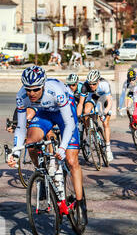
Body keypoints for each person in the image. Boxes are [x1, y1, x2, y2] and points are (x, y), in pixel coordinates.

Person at [7, 66, 87, 226]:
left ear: (42, 85)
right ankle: (42, 174)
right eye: (28, 89)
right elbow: (21, 127)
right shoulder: (22, 96)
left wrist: (63, 148)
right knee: (30, 144)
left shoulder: (56, 90)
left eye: (36, 89)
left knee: (71, 161)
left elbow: (70, 123)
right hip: (43, 112)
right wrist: (15, 152)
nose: (31, 93)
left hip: (64, 111)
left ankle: (80, 203)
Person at [77, 70, 114, 162]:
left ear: (98, 81)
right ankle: (90, 133)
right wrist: (78, 115)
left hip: (104, 99)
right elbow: (81, 104)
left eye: (94, 84)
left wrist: (104, 112)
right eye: (90, 84)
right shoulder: (85, 87)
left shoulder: (104, 84)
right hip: (93, 97)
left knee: (105, 123)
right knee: (86, 111)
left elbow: (109, 102)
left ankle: (108, 148)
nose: (92, 86)